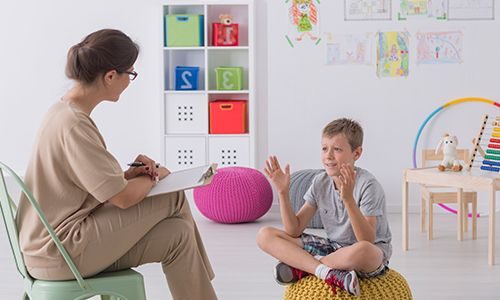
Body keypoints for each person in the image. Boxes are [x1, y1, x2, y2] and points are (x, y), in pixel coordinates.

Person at [16, 29, 217, 300]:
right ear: (111, 76)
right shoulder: (74, 124)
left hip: (48, 247)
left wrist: (130, 176)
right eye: (130, 74)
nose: (130, 81)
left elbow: (92, 186)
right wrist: (154, 176)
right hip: (61, 251)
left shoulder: (63, 112)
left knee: (177, 234)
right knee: (174, 198)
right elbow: (121, 198)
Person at [256, 118, 392, 296]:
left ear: (356, 153)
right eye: (324, 148)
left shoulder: (368, 185)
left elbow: (366, 239)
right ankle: (326, 271)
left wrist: (348, 199)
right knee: (265, 235)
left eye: (337, 149)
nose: (328, 156)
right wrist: (283, 192)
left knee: (364, 250)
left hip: (367, 255)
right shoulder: (320, 182)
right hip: (333, 248)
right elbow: (294, 230)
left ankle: (305, 267)